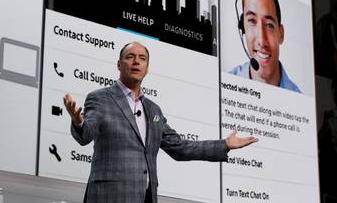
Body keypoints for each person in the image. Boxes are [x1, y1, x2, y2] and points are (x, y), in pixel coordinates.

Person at [64, 42, 257, 203]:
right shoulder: (101, 98)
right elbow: (86, 134)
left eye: (142, 58)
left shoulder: (153, 109)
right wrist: (78, 121)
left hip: (147, 196)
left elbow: (180, 148)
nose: (136, 62)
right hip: (109, 195)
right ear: (119, 64)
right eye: (130, 56)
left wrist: (224, 145)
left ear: (147, 67)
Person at [228, 0, 300, 92]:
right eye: (252, 21)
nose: (261, 40)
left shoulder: (299, 101)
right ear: (243, 28)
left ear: (281, 34)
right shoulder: (225, 84)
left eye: (269, 25)